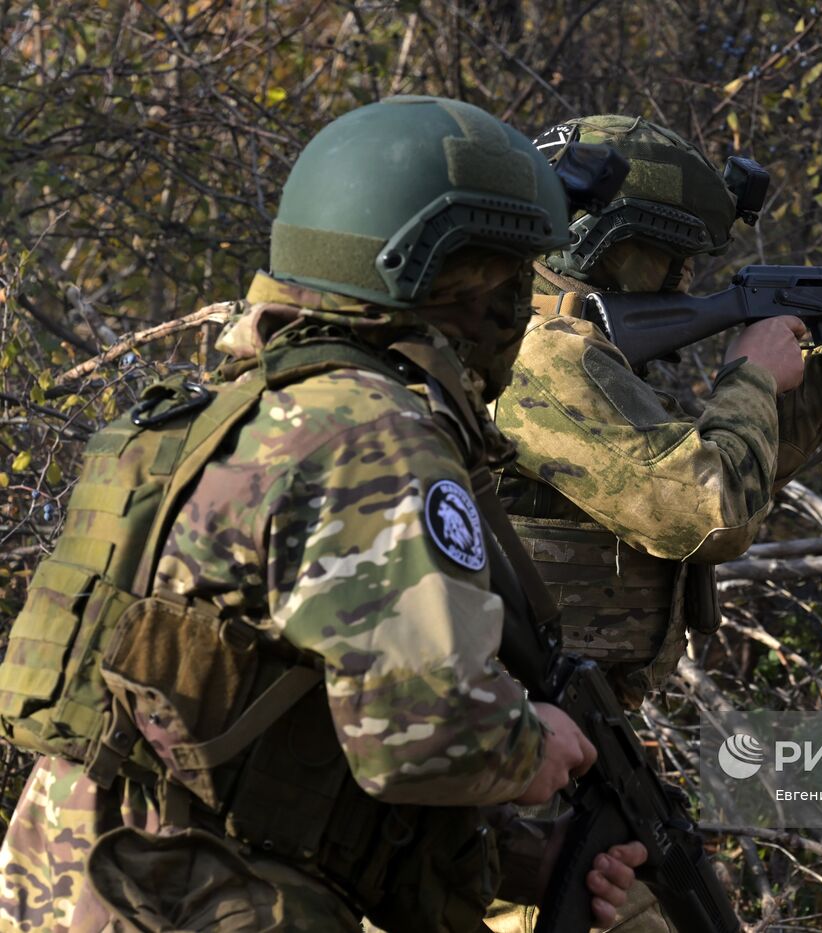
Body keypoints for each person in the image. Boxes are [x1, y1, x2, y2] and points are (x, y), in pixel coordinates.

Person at [0, 96, 643, 931]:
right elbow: (421, 732)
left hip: (73, 879)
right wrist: (533, 742)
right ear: (458, 280)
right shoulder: (373, 437)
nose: (519, 311)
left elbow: (270, 741)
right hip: (207, 900)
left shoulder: (215, 421)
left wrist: (528, 858)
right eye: (513, 278)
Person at [487, 114, 822, 932]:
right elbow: (705, 509)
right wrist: (747, 377)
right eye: (671, 260)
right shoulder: (546, 356)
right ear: (616, 242)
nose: (678, 283)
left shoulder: (576, 347)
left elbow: (727, 470)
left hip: (555, 744)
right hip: (515, 754)